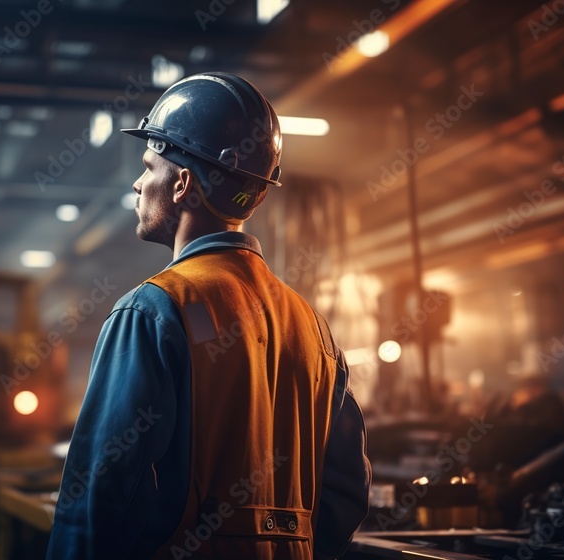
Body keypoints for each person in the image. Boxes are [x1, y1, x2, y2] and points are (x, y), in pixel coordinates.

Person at [47, 73, 370, 559]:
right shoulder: (312, 327)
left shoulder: (153, 310)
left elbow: (100, 494)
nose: (137, 183)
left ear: (181, 184)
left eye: (148, 165)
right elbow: (346, 491)